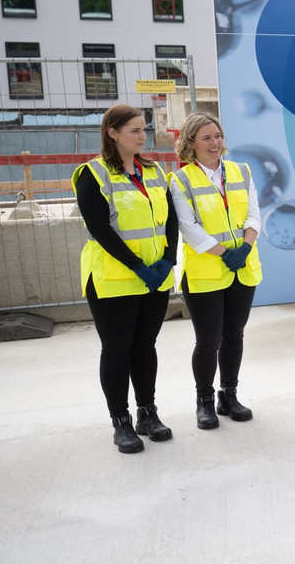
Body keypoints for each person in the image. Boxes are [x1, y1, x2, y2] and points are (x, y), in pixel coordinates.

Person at [73, 104, 177, 454]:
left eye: (143, 130)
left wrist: (167, 260)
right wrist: (137, 266)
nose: (142, 136)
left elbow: (170, 219)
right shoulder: (93, 174)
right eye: (134, 130)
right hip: (114, 279)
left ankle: (148, 413)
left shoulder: (154, 171)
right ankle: (121, 422)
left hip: (154, 277)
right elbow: (100, 228)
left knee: (145, 347)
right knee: (117, 350)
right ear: (112, 133)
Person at [169, 112, 263, 430]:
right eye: (206, 138)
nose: (215, 143)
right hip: (206, 272)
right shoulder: (181, 179)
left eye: (218, 136)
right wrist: (225, 253)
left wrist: (245, 249)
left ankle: (229, 396)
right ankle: (204, 403)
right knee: (208, 340)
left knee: (234, 335)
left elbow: (253, 215)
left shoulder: (241, 171)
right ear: (191, 143)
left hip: (242, 268)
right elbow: (189, 227)